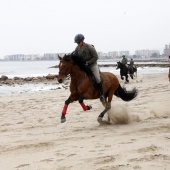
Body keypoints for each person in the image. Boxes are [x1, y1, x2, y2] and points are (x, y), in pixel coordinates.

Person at [73, 33, 105, 102]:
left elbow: (96, 57)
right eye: (77, 43)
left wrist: (89, 62)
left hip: (92, 65)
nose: (78, 44)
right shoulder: (77, 48)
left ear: (82, 40)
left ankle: (102, 95)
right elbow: (75, 55)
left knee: (97, 78)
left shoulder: (90, 47)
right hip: (84, 65)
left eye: (78, 42)